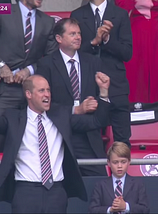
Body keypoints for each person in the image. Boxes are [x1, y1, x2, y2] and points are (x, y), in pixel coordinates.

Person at [0, 72, 111, 213]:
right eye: (41, 90)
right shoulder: (13, 118)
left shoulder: (61, 115)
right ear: (28, 94)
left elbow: (97, 121)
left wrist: (103, 93)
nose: (47, 94)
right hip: (26, 193)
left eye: (48, 90)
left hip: (56, 192)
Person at [0, 0, 58, 153]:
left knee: (30, 145)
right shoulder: (2, 13)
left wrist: (30, 70)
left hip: (32, 93)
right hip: (4, 90)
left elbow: (52, 56)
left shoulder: (47, 22)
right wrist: (0, 65)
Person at [37, 18, 107, 176]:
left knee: (97, 179)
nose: (78, 37)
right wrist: (76, 109)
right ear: (59, 39)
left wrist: (101, 96)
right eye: (72, 34)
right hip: (60, 131)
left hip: (88, 133)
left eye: (79, 34)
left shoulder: (93, 62)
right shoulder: (46, 64)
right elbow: (42, 102)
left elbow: (101, 96)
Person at [71, 0, 132, 147]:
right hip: (87, 83)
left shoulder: (120, 14)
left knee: (122, 140)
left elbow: (127, 53)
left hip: (115, 84)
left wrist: (107, 40)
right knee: (88, 141)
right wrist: (94, 41)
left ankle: (122, 170)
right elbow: (72, 53)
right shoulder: (77, 15)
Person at [115, 0, 158, 103]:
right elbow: (120, 10)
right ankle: (135, 111)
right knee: (135, 78)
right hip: (135, 36)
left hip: (156, 38)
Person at [89, 141, 150, 213]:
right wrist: (110, 210)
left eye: (123, 162)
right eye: (115, 162)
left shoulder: (138, 184)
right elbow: (92, 210)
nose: (119, 166)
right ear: (109, 163)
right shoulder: (100, 185)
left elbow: (145, 210)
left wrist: (126, 207)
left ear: (129, 162)